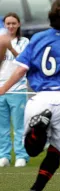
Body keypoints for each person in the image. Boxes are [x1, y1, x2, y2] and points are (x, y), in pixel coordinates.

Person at [0, 0, 60, 191]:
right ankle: (35, 190)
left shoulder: (38, 38)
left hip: (41, 98)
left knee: (31, 150)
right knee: (55, 151)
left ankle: (38, 128)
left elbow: (21, 69)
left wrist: (2, 89)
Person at [0, 13, 29, 167]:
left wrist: (10, 47)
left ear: (18, 25)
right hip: (0, 90)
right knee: (2, 126)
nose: (10, 26)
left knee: (19, 125)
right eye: (8, 23)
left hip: (17, 89)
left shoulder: (24, 42)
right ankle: (4, 155)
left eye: (13, 23)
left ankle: (21, 155)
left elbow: (23, 61)